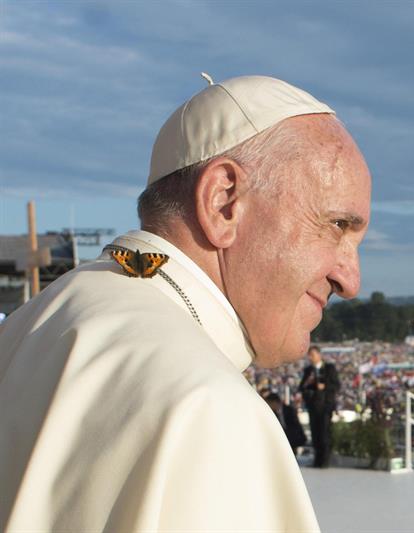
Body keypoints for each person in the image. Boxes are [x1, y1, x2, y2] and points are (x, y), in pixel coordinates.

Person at [0, 74, 370, 531]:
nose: (350, 280)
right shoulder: (208, 407)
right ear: (224, 203)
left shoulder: (29, 324)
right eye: (337, 225)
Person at [301, 345, 340, 467]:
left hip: (325, 406)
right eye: (309, 355)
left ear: (319, 355)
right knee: (315, 434)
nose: (311, 358)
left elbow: (336, 385)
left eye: (313, 355)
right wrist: (309, 384)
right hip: (313, 407)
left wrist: (325, 387)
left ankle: (325, 461)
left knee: (324, 433)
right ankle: (317, 460)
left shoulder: (329, 368)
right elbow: (302, 387)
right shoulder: (308, 371)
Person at [265, 392, 307, 456]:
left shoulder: (289, 410)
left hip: (293, 435)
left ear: (274, 402)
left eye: (269, 404)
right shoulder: (272, 413)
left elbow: (295, 426)